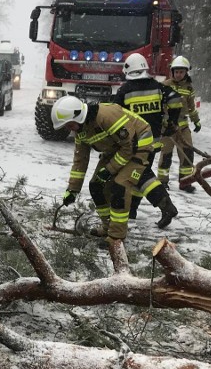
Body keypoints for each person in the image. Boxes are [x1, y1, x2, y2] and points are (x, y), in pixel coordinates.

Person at [51, 95, 178, 243]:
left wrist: (110, 169)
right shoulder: (81, 131)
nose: (68, 129)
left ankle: (116, 237)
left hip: (138, 143)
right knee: (96, 185)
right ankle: (108, 227)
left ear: (78, 116)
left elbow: (128, 147)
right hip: (117, 147)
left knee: (121, 185)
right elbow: (80, 161)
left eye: (69, 124)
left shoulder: (106, 116)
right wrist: (73, 189)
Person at [115, 52, 179, 221]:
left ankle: (166, 205)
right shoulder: (158, 87)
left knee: (140, 175)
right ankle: (133, 210)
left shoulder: (125, 91)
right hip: (153, 144)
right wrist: (172, 122)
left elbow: (115, 117)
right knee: (138, 176)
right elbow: (176, 100)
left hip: (134, 145)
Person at [157, 55, 201, 193]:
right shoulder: (165, 85)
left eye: (181, 72)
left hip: (183, 126)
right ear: (172, 72)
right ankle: (162, 182)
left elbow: (191, 107)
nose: (179, 74)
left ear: (186, 72)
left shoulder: (189, 88)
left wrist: (196, 121)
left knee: (187, 153)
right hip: (167, 127)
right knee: (166, 155)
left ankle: (185, 182)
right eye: (176, 72)